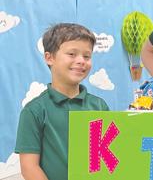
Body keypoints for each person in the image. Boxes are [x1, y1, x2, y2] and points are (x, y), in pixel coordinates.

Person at [15, 23, 110, 180]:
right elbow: (30, 168)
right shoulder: (34, 111)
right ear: (49, 57)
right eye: (72, 54)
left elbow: (107, 159)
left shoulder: (100, 106)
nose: (81, 61)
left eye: (87, 56)